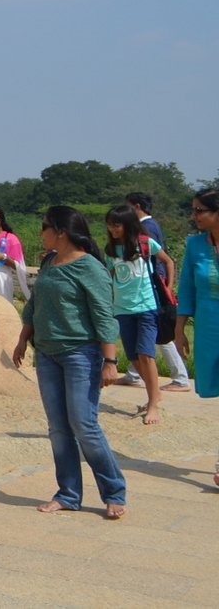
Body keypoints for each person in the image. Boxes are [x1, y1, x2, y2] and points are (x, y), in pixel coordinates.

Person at [13, 205, 126, 518]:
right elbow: (35, 304)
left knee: (84, 425)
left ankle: (114, 491)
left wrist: (110, 360)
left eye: (45, 226)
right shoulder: (50, 261)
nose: (41, 232)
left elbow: (104, 315)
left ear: (61, 232)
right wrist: (23, 338)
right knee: (59, 428)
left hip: (81, 355)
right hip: (47, 354)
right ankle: (68, 494)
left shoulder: (89, 267)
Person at [104, 204, 174, 424]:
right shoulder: (111, 250)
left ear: (128, 224)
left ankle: (153, 404)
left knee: (146, 354)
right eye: (110, 225)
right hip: (122, 310)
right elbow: (112, 278)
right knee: (134, 357)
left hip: (147, 308)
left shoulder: (145, 243)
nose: (113, 229)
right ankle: (155, 392)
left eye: (117, 224)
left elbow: (168, 261)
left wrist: (168, 288)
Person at [122, 191, 192, 392]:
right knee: (150, 331)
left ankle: (180, 377)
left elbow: (155, 258)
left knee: (158, 330)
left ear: (136, 206)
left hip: (151, 285)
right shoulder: (150, 226)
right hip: (154, 284)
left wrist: (165, 287)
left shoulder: (146, 228)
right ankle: (134, 373)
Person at [175, 188, 219, 485]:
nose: (194, 216)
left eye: (199, 210)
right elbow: (187, 287)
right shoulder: (195, 245)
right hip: (208, 328)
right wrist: (179, 330)